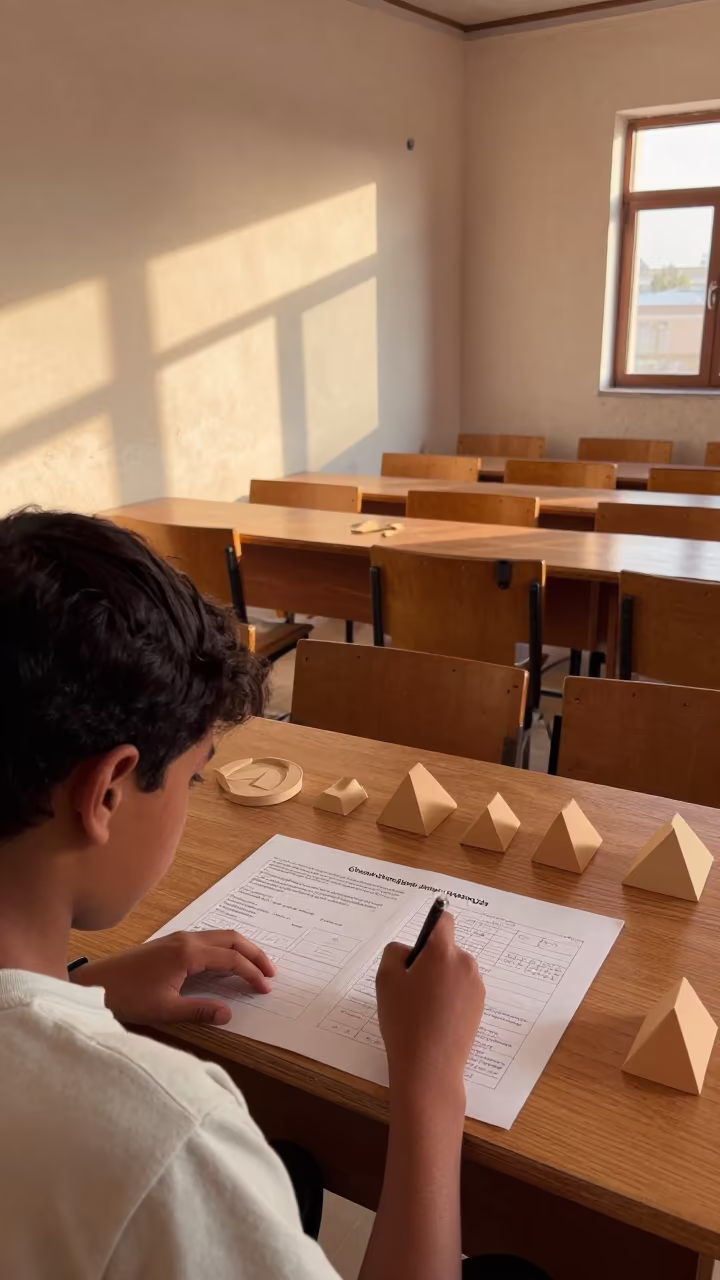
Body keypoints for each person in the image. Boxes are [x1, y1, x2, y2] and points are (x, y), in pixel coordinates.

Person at [0, 508, 549, 1280]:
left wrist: (81, 986)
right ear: (109, 792)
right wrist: (430, 1086)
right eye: (193, 779)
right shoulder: (170, 1135)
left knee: (291, 1165)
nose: (191, 799)